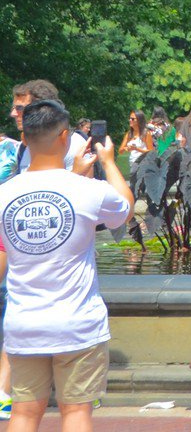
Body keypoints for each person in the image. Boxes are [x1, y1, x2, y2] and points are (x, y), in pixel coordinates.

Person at [0, 99, 133, 432]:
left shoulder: (4, 195)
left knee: (24, 413)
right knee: (75, 413)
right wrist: (108, 162)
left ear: (26, 140)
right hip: (78, 324)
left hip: (24, 323)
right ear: (65, 137)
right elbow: (125, 209)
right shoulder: (87, 191)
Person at [10, 81, 87, 171]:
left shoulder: (74, 145)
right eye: (13, 108)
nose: (13, 114)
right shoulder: (23, 147)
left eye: (19, 108)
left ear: (41, 109)